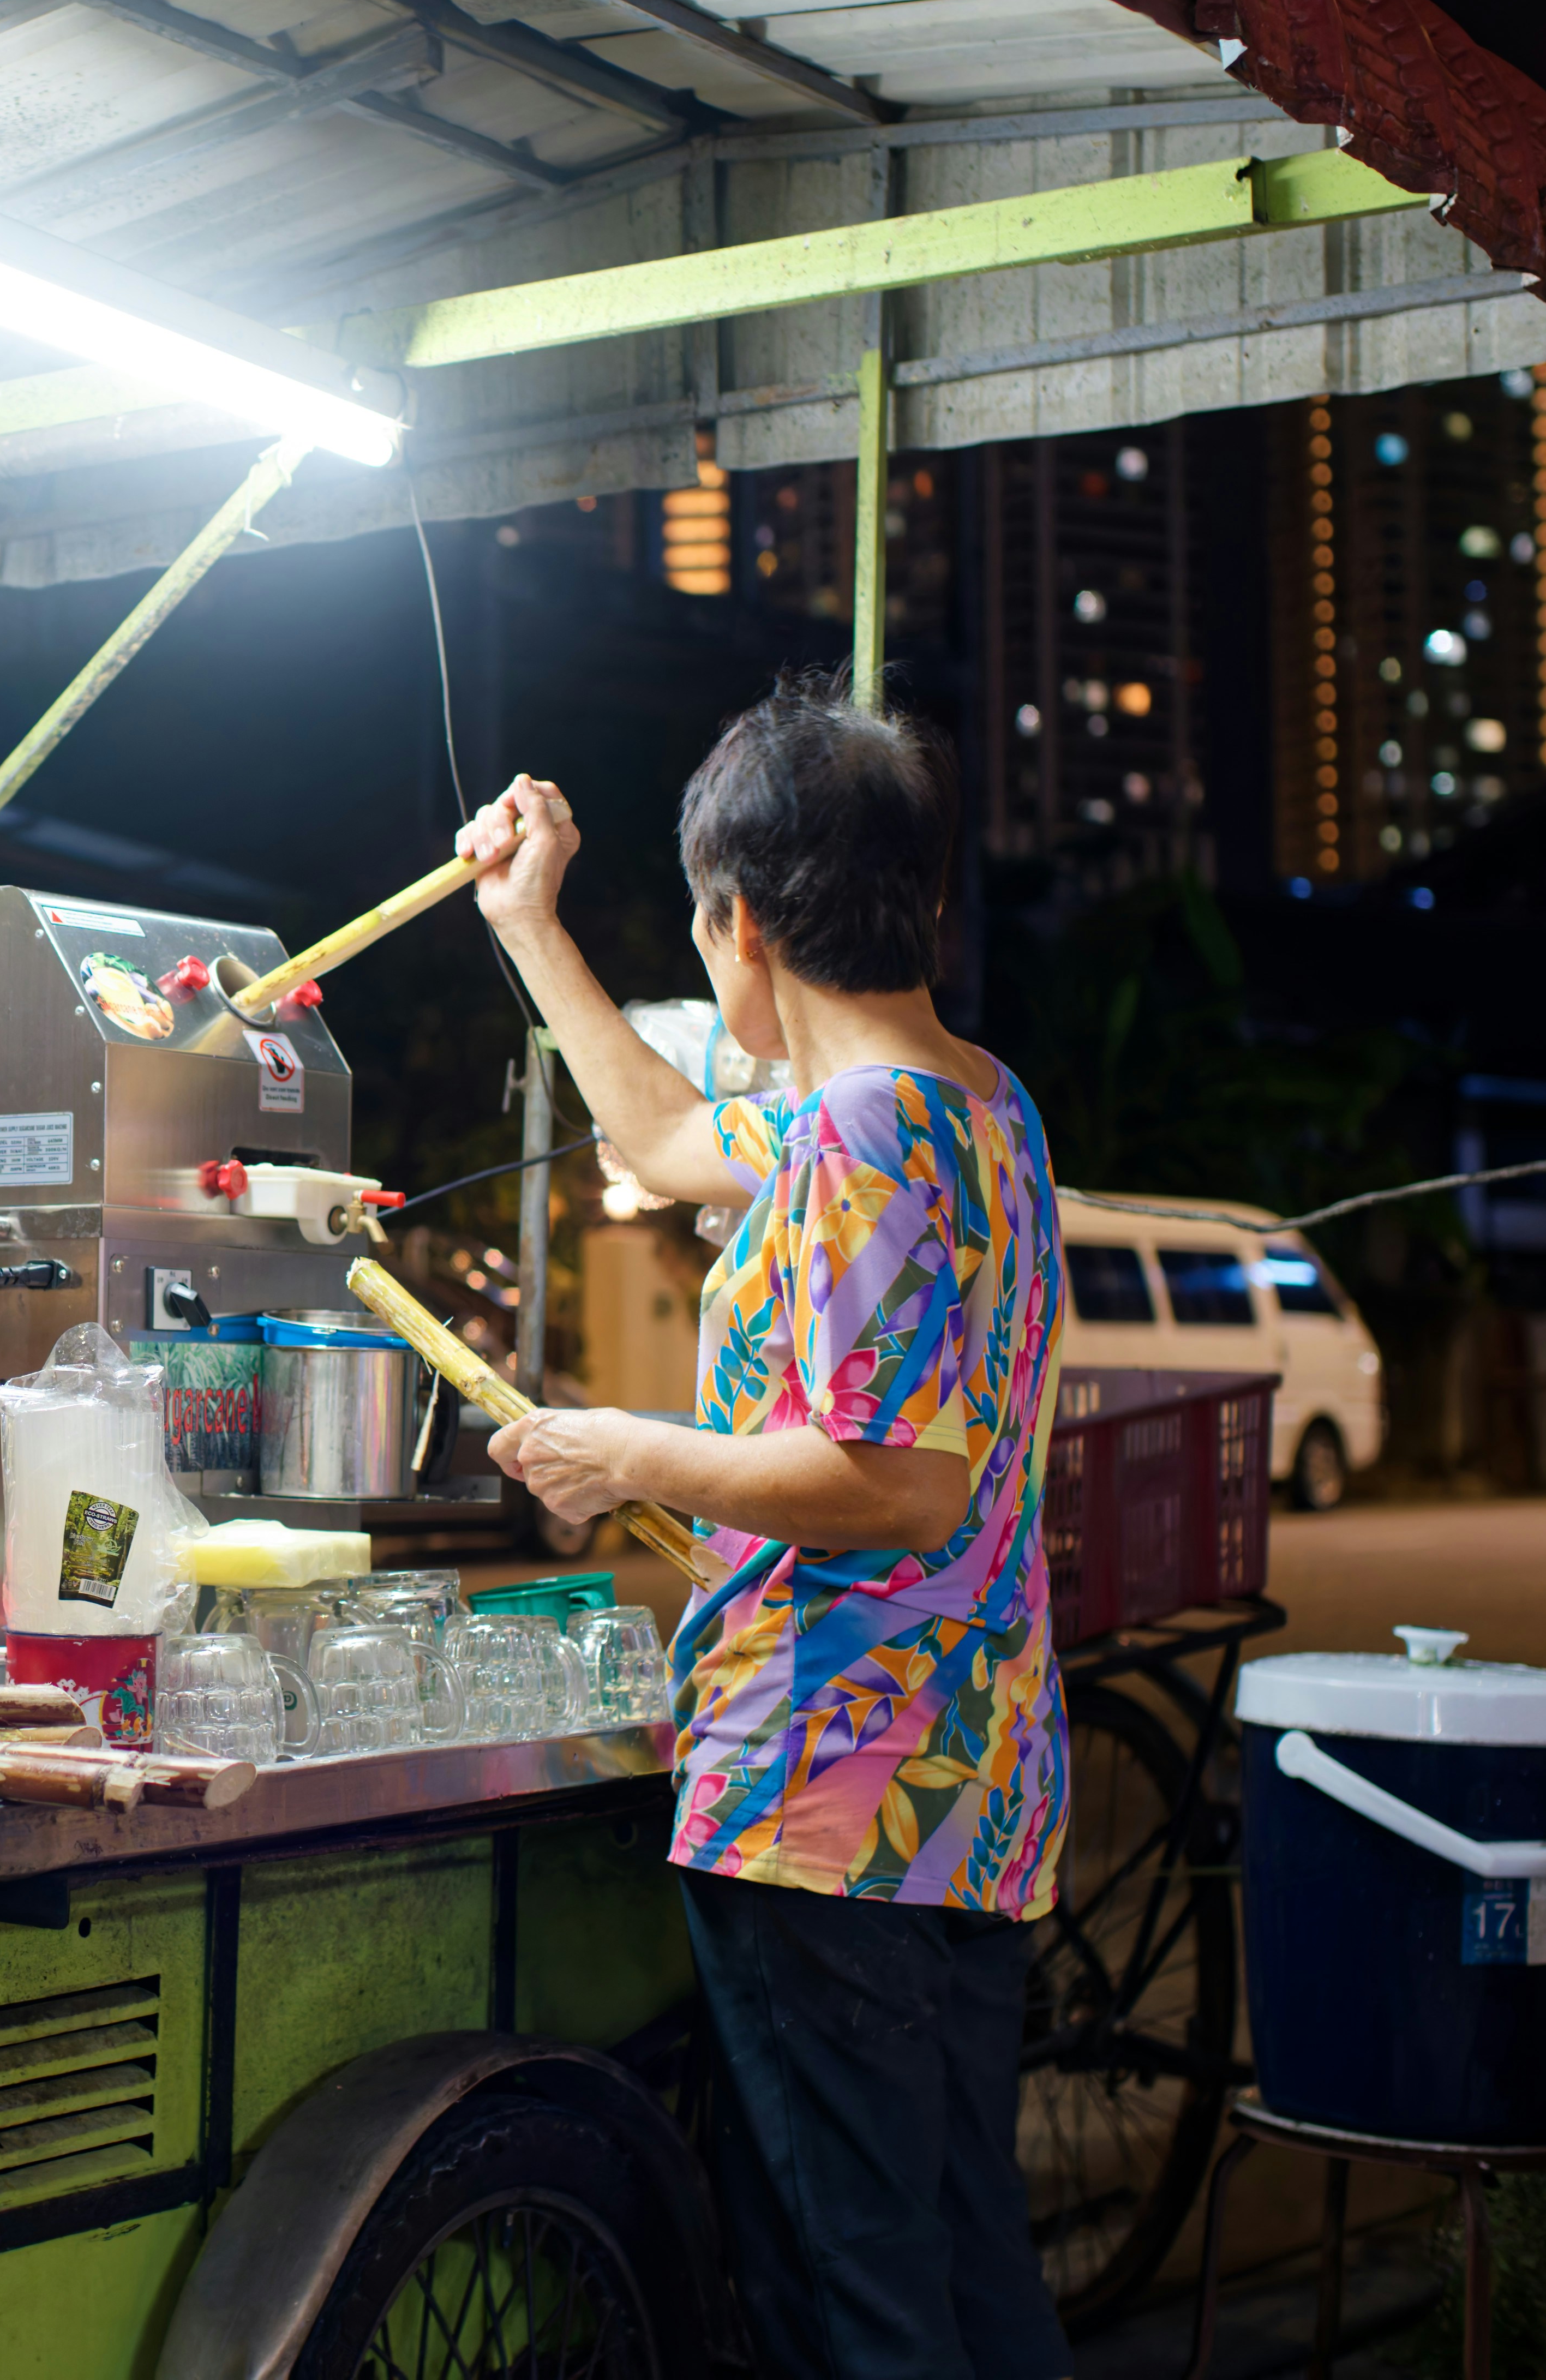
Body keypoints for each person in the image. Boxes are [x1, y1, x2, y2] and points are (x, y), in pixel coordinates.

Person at [457, 670, 1075, 2380]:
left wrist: (630, 1452)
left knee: (845, 2286)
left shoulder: (866, 1136)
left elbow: (897, 1482)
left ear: (738, 925)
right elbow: (653, 1128)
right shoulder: (967, 1102)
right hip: (964, 1781)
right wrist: (532, 923)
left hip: (835, 1794)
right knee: (955, 2253)